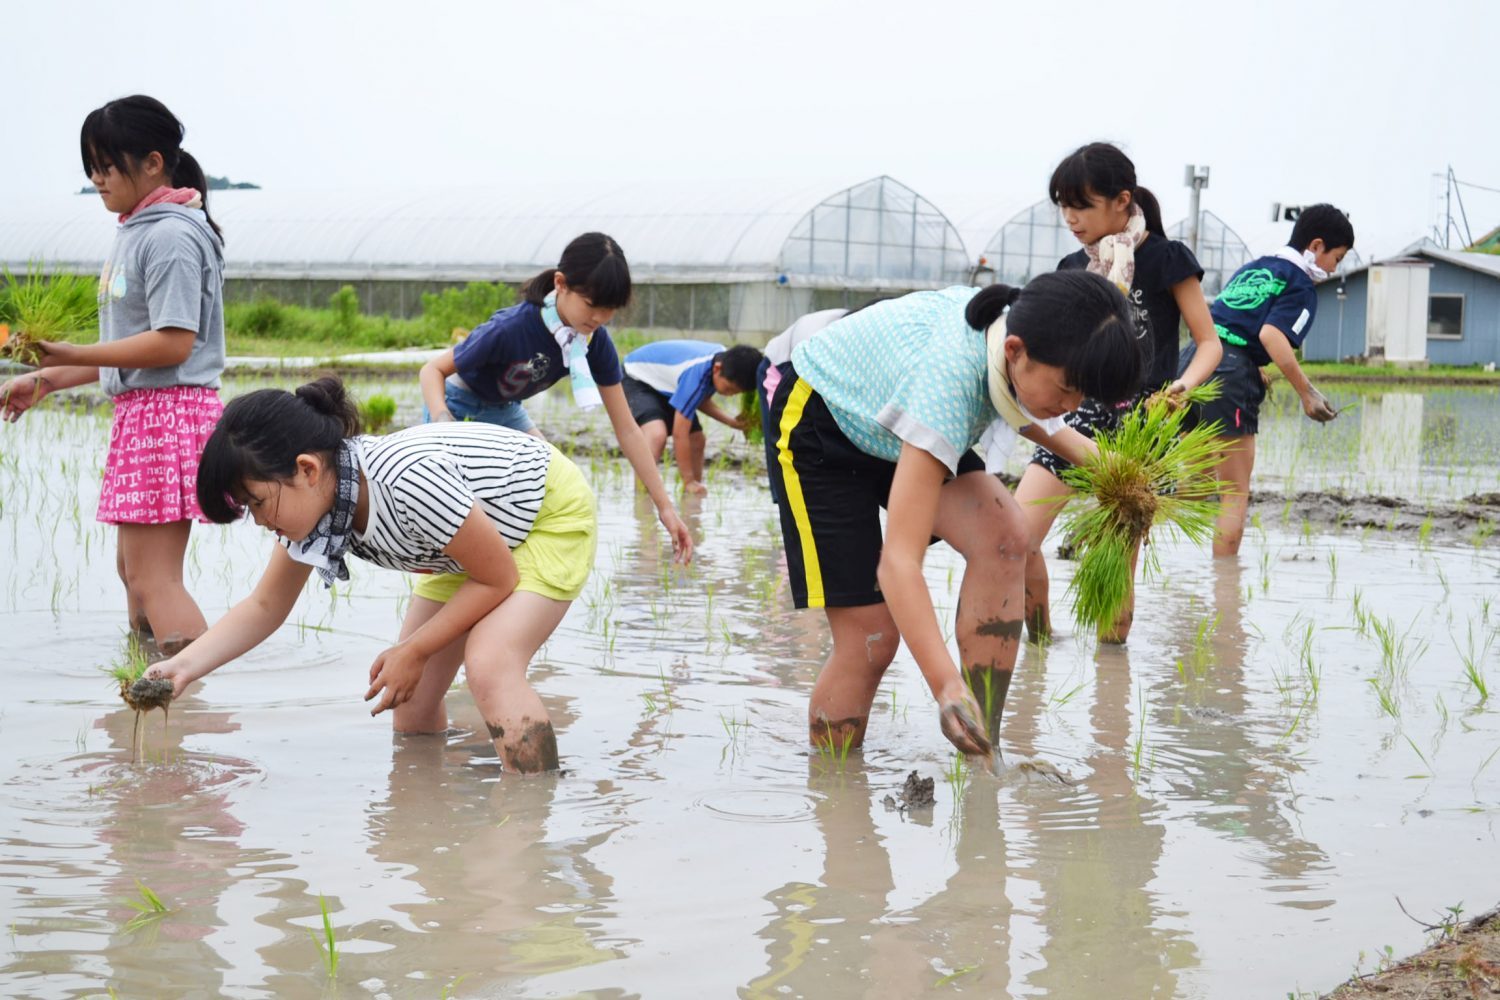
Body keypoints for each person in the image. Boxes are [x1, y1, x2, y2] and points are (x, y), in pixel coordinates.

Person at [768, 273, 1142, 757]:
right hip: (823, 423)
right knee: (871, 636)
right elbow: (899, 563)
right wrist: (944, 684)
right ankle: (837, 794)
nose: (1071, 407)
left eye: (1082, 396)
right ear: (1014, 351)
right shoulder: (948, 384)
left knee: (1006, 536)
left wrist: (1122, 477)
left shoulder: (1024, 344)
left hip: (894, 419)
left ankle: (983, 744)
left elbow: (1041, 418)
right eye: (1068, 389)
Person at [147, 376, 596, 773]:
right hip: (467, 547)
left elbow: (498, 577)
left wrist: (415, 650)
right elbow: (265, 607)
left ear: (306, 468)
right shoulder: (316, 510)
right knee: (413, 706)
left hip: (543, 516)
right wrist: (183, 667)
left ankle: (532, 806)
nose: (260, 522)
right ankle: (429, 800)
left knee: (490, 663)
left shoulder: (404, 482)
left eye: (258, 502)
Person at [1, 94, 225, 654]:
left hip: (168, 417)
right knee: (133, 574)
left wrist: (69, 355)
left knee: (155, 579)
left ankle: (187, 698)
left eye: (106, 165)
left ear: (152, 162)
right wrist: (48, 380)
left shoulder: (170, 235)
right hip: (144, 414)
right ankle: (144, 698)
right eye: (91, 168)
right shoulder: (136, 229)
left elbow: (173, 343)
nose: (98, 179)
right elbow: (124, 352)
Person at [1015, 142, 1221, 644]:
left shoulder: (1166, 259)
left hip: (1143, 425)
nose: (1070, 217)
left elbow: (1209, 343)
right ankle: (1042, 646)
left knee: (1112, 571)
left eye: (1080, 204)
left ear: (1122, 200)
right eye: (1063, 205)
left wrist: (1182, 387)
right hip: (1076, 417)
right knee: (1016, 539)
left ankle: (1111, 695)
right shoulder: (1071, 268)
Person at [418, 233, 692, 562]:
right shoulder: (511, 327)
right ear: (560, 284)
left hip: (506, 409)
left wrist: (666, 508)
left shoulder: (593, 343)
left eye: (609, 311)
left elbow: (629, 429)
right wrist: (442, 423)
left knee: (556, 481)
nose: (599, 319)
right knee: (454, 509)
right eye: (592, 305)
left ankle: (525, 570)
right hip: (457, 405)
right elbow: (432, 370)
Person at [1178, 204, 1352, 556]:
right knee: (1233, 492)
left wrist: (1255, 364)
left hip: (1189, 364)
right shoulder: (1300, 284)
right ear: (1316, 246)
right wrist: (1307, 393)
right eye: (1338, 257)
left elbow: (1226, 323)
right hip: (1229, 373)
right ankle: (1227, 597)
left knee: (1193, 484)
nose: (1336, 267)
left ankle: (1130, 520)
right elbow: (1273, 336)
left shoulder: (1253, 268)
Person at [619, 339, 763, 495]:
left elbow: (698, 399)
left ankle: (693, 492)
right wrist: (687, 480)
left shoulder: (723, 362)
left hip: (667, 385)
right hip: (637, 377)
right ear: (717, 369)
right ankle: (641, 498)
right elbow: (680, 434)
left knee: (697, 440)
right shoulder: (698, 373)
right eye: (729, 389)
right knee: (656, 435)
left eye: (735, 393)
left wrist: (731, 422)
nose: (730, 395)